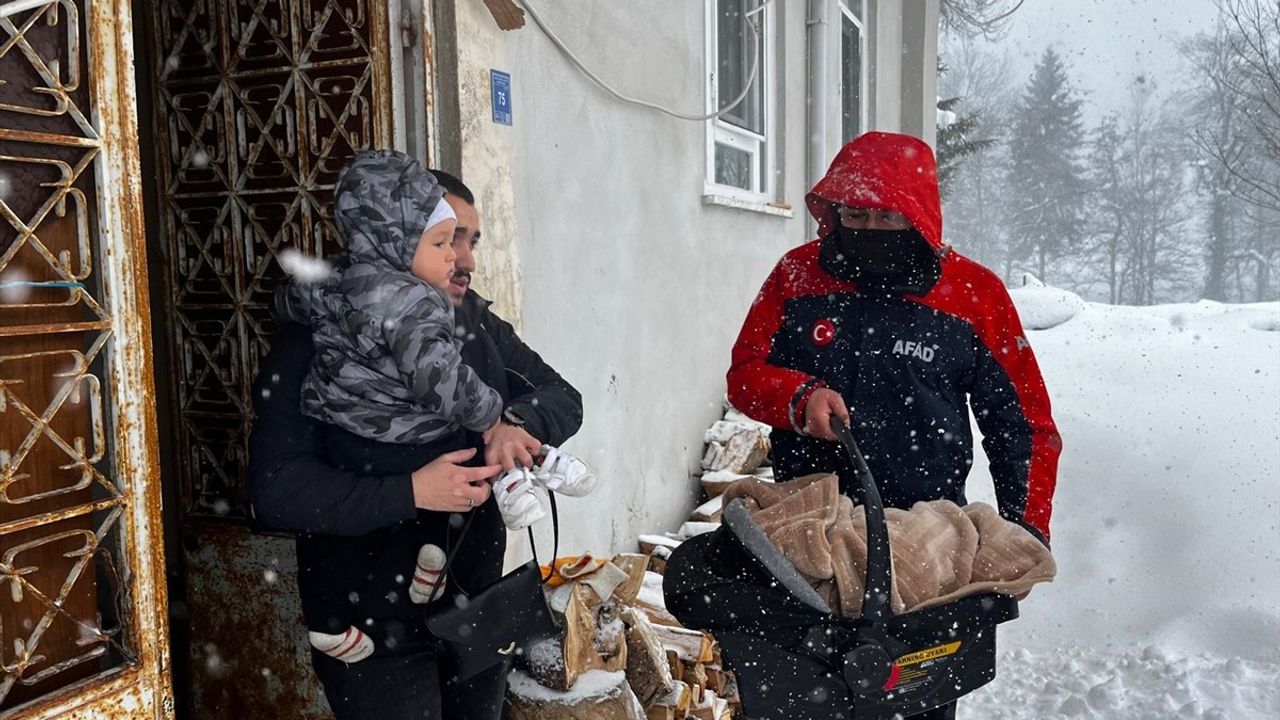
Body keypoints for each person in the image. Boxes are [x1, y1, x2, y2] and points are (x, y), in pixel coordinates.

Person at [726, 131, 1061, 720]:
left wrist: (1025, 529)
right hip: (809, 535)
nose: (871, 228)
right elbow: (746, 372)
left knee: (913, 704)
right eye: (857, 212)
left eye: (888, 215)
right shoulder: (798, 276)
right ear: (834, 211)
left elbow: (1023, 426)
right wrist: (799, 396)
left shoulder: (974, 294)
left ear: (919, 215)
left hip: (926, 546)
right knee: (799, 702)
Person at [248, 166, 584, 720]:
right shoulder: (322, 341)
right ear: (395, 239)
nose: (466, 259)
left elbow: (561, 396)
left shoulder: (473, 323)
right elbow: (275, 490)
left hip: (477, 607)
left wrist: (513, 425)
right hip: (371, 628)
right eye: (449, 239)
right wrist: (409, 492)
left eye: (471, 240)